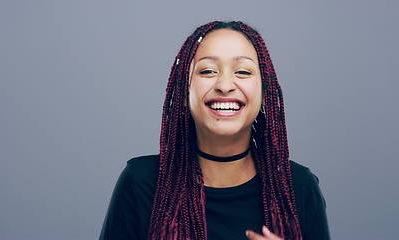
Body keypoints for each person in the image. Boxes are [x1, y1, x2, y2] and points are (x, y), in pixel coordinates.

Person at [99, 20, 331, 240]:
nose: (224, 85)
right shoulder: (142, 181)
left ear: (264, 94)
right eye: (208, 71)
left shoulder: (297, 187)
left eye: (243, 72)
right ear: (184, 92)